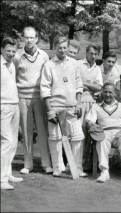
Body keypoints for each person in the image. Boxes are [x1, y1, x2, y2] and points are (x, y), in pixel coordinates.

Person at [40, 36, 86, 177]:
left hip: (72, 105)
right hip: (56, 106)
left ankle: (76, 167)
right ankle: (57, 167)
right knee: (55, 138)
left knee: (77, 136)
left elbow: (79, 85)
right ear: (55, 48)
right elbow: (45, 88)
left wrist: (78, 103)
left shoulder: (74, 63)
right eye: (60, 47)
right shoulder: (49, 65)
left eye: (65, 47)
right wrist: (50, 111)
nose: (62, 50)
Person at [14, 27, 52, 174]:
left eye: (32, 38)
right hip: (23, 97)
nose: (29, 40)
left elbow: (47, 77)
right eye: (26, 37)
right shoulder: (17, 56)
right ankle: (28, 164)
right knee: (26, 131)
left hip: (40, 97)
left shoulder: (43, 56)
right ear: (23, 38)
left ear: (37, 39)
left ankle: (46, 164)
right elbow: (14, 76)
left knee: (43, 131)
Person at [86, 83, 121, 183]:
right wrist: (93, 126)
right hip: (104, 132)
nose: (107, 94)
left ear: (115, 93)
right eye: (105, 92)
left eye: (110, 92)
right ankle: (104, 171)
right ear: (102, 92)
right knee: (101, 140)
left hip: (119, 132)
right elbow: (90, 121)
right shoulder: (96, 106)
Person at [1, 37, 24, 190]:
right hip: (2, 106)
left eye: (13, 51)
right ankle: (2, 180)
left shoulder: (12, 64)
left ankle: (7, 173)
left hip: (14, 105)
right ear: (1, 49)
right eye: (8, 50)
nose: (11, 53)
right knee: (6, 141)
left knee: (13, 142)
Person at [78, 44, 103, 173]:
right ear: (86, 53)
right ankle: (76, 163)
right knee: (78, 134)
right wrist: (91, 85)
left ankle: (85, 163)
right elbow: (75, 83)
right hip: (79, 101)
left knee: (89, 134)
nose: (93, 56)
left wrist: (83, 83)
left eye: (95, 54)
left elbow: (99, 87)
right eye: (91, 53)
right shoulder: (78, 65)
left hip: (92, 103)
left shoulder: (97, 69)